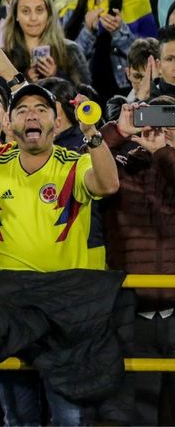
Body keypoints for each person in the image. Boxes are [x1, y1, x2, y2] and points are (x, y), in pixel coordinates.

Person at [0, 83, 119, 424]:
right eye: (23, 110)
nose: (32, 116)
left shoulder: (76, 162)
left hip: (64, 311)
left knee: (68, 417)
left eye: (41, 109)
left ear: (56, 123)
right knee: (18, 416)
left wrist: (92, 134)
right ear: (9, 124)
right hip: (13, 308)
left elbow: (108, 184)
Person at [103, 99, 175, 424]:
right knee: (138, 415)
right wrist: (119, 131)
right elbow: (85, 167)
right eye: (151, 120)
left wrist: (163, 153)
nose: (159, 129)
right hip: (133, 314)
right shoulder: (118, 166)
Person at [61, 0, 158, 100]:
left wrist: (119, 32)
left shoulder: (138, 1)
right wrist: (87, 30)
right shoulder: (71, 7)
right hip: (83, 93)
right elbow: (67, 64)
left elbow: (150, 58)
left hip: (127, 92)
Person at [3, 0, 90, 85]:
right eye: (26, 11)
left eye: (39, 10)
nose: (33, 18)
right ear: (16, 15)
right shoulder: (5, 57)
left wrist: (57, 76)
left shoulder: (70, 51)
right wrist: (24, 81)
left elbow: (85, 95)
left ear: (48, 13)